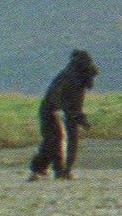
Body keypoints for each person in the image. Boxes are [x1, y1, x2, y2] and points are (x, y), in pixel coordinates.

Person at [28, 50, 99, 181]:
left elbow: (75, 105)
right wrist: (77, 117)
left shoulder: (74, 76)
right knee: (53, 139)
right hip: (51, 109)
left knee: (55, 139)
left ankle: (59, 171)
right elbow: (62, 100)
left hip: (60, 109)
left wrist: (78, 117)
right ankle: (50, 170)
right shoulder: (73, 78)